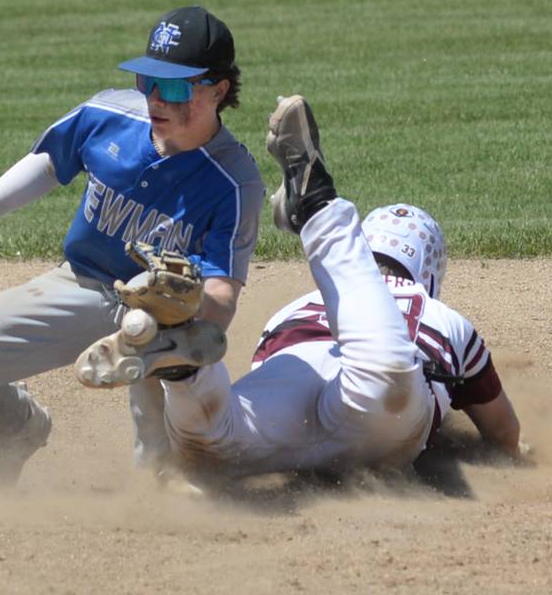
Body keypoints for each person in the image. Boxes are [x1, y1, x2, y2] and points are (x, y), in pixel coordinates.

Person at [77, 94, 521, 482]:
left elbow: (265, 367)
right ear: (427, 267)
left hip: (290, 379)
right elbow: (503, 434)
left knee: (217, 436)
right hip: (378, 414)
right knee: (387, 377)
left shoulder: (295, 308)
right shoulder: (441, 317)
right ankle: (316, 207)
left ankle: (186, 374)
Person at [0, 6, 265, 490]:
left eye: (177, 86)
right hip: (80, 285)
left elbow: (222, 300)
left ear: (219, 90)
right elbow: (50, 162)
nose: (156, 98)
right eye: (148, 81)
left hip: (156, 329)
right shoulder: (109, 114)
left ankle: (161, 474)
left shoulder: (233, 182)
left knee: (169, 473)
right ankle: (14, 431)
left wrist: (182, 303)